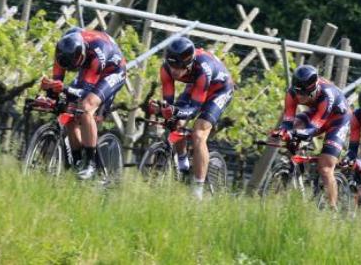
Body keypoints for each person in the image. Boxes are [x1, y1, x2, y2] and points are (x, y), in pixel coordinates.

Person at [147, 37, 234, 199]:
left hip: (219, 90)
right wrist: (163, 108)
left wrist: (174, 110)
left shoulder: (202, 69)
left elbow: (193, 110)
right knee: (175, 121)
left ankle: (197, 191)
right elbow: (169, 102)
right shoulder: (166, 69)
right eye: (171, 65)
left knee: (199, 133)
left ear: (188, 64)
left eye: (178, 67)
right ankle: (183, 163)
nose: (173, 71)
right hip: (196, 87)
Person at [40, 28, 127, 180]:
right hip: (88, 65)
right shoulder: (63, 51)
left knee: (86, 107)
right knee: (67, 108)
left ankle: (90, 164)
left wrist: (64, 88)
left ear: (81, 56)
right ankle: (78, 160)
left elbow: (85, 93)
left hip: (112, 71)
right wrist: (50, 92)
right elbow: (57, 84)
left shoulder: (96, 55)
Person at [271, 64, 350, 209]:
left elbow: (314, 127)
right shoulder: (292, 93)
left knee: (326, 168)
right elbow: (288, 121)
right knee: (292, 131)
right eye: (297, 93)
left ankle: (333, 210)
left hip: (337, 120)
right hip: (315, 113)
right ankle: (300, 172)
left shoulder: (327, 95)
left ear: (314, 89)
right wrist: (282, 131)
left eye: (305, 94)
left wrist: (296, 134)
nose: (300, 97)